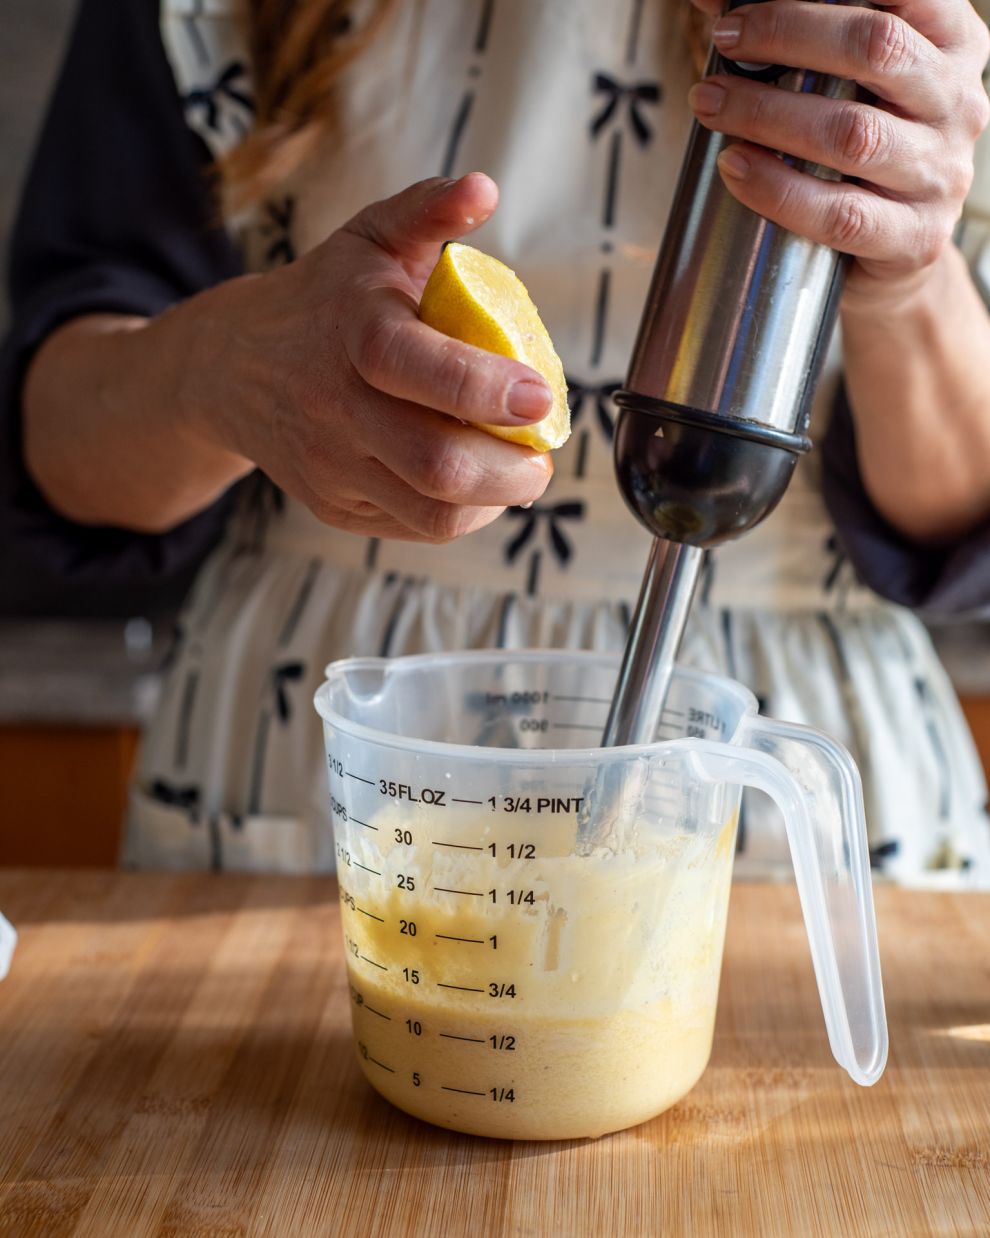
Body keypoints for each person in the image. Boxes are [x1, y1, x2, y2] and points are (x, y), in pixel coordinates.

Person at [3, 0, 990, 881]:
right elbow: (57, 438)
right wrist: (225, 367)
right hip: (328, 760)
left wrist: (907, 283)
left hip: (790, 780)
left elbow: (964, 513)